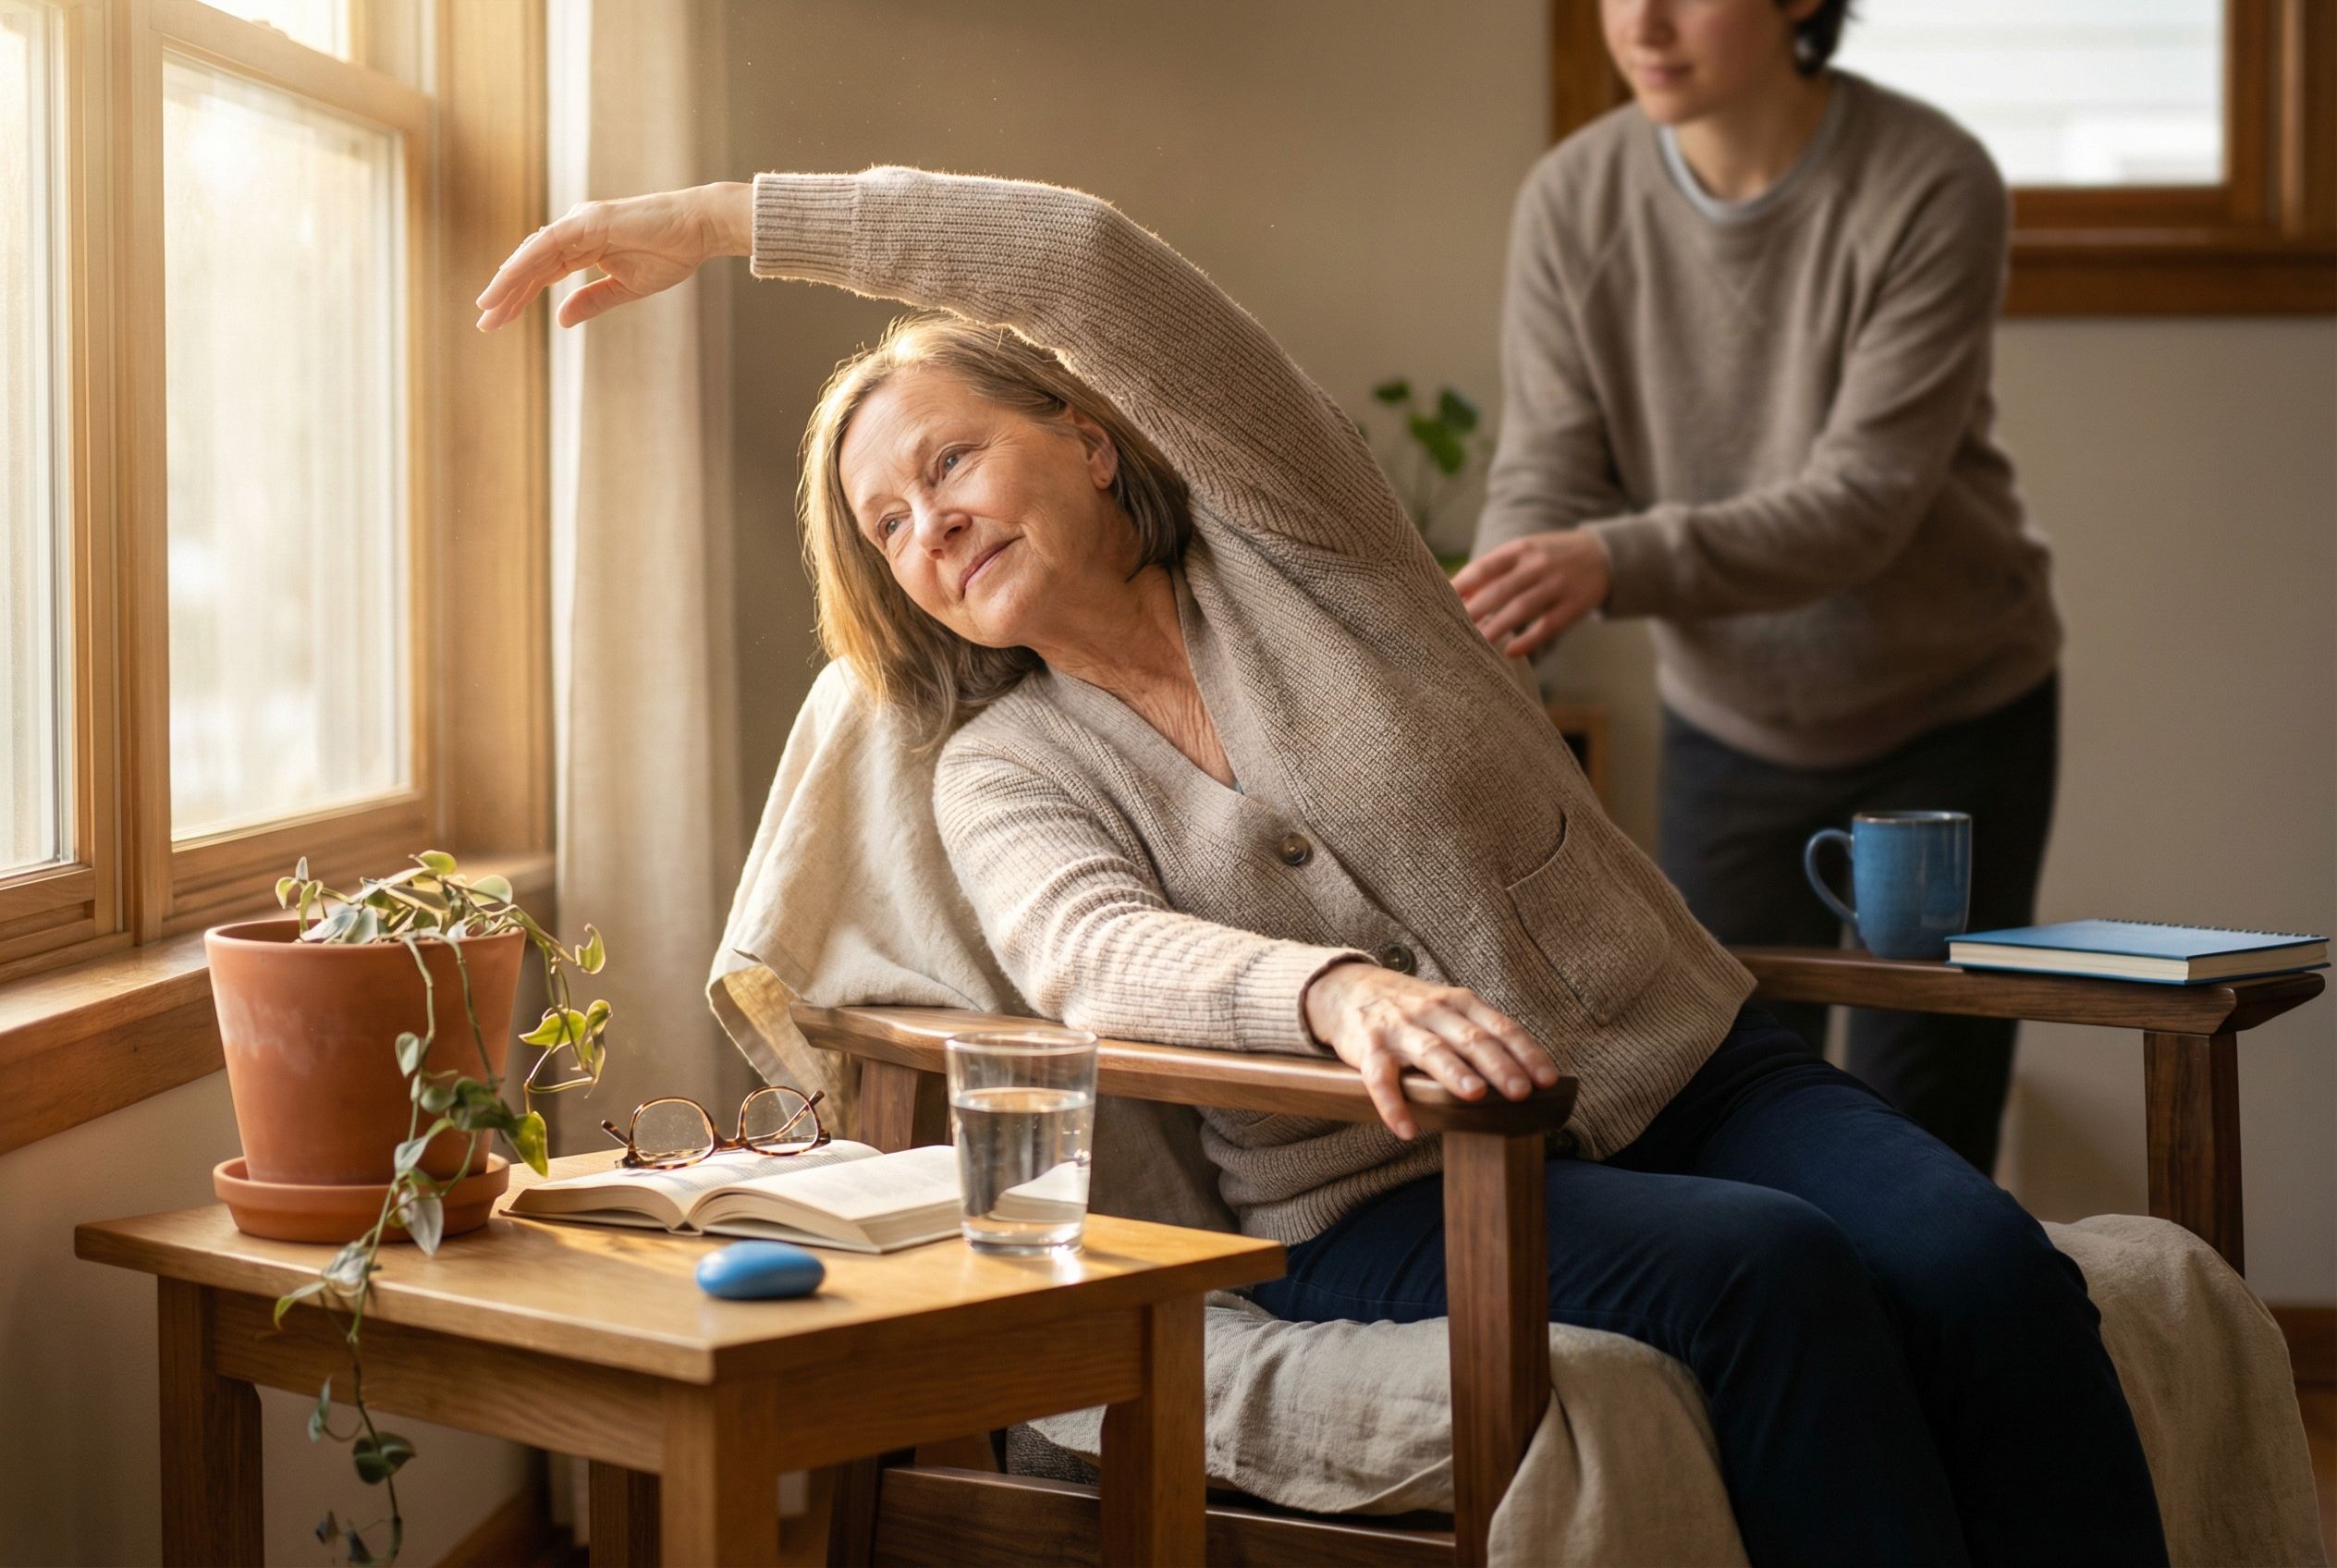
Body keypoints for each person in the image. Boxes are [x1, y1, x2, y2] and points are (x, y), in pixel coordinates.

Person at [474, 165, 2159, 1562]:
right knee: (1767, 1275)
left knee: (1979, 1264)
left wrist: (718, 225)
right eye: (889, 528)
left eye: (951, 460)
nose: (930, 526)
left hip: (1696, 1071)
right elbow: (1085, 950)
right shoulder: (998, 762)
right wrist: (1333, 994)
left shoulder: (1305, 542)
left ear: (1087, 435)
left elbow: (1083, 260)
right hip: (1379, 1193)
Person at [1457, 0, 2062, 1177]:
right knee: (1732, 1116)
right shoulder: (1573, 198)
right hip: (1728, 726)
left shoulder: (1929, 179)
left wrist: (1609, 560)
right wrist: (1491, 626)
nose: (1642, 19)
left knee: (1921, 1122)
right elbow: (1546, 469)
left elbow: (1863, 503)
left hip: (1949, 717)